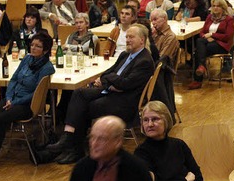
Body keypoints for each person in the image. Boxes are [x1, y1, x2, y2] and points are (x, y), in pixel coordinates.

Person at [45, 24, 154, 164]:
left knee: (85, 107)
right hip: (112, 92)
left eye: (131, 37)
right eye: (126, 37)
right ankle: (68, 137)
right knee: (79, 93)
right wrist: (112, 82)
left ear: (142, 40)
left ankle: (74, 148)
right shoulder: (125, 54)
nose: (127, 40)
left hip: (124, 102)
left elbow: (124, 84)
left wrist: (112, 81)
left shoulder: (144, 61)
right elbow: (108, 73)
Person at [0, 32, 55, 169]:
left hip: (27, 104)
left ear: (45, 50)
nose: (33, 48)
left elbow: (36, 93)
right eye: (32, 45)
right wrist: (9, 98)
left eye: (37, 46)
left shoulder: (47, 68)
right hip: (12, 98)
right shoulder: (27, 59)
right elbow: (14, 79)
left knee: (1, 118)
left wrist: (14, 102)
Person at [189, 0, 234, 90]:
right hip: (208, 42)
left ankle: (198, 80)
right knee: (199, 42)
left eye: (218, 6)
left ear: (223, 8)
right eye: (213, 6)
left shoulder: (228, 20)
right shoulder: (209, 17)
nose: (215, 8)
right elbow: (202, 32)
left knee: (198, 51)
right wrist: (206, 36)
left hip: (222, 45)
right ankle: (202, 66)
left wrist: (212, 35)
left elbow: (227, 36)